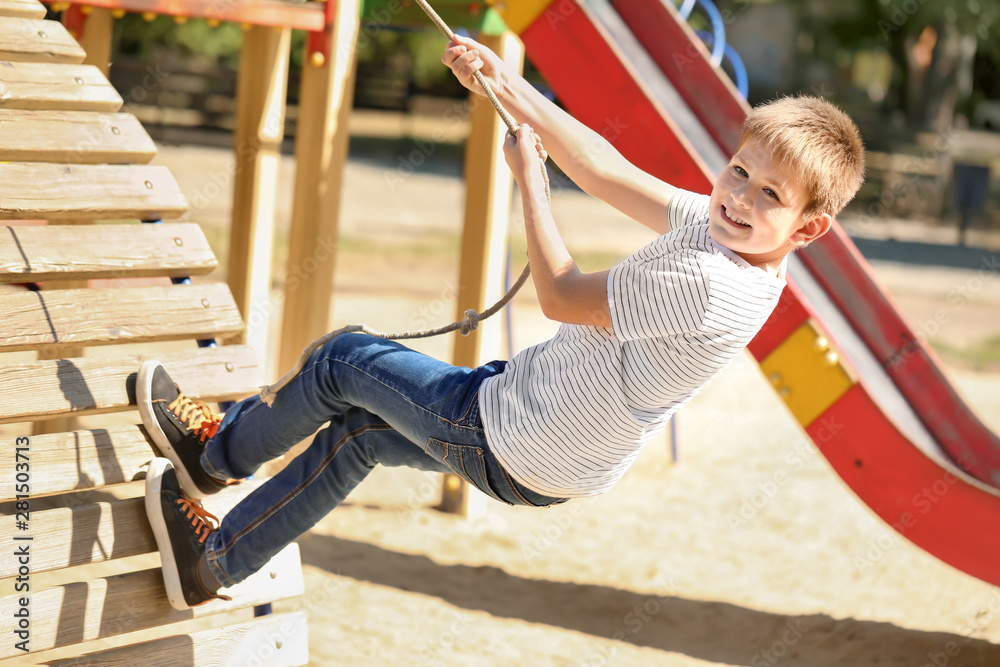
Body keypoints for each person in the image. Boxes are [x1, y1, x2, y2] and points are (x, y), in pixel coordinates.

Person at [142, 35, 865, 610]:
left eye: (769, 193)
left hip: (518, 435)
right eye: (738, 170)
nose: (739, 196)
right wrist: (506, 86)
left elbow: (559, 294)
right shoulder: (730, 233)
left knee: (343, 360)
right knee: (358, 434)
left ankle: (214, 455)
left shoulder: (711, 281)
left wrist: (530, 181)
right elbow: (607, 169)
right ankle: (216, 562)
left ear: (808, 227)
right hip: (541, 440)